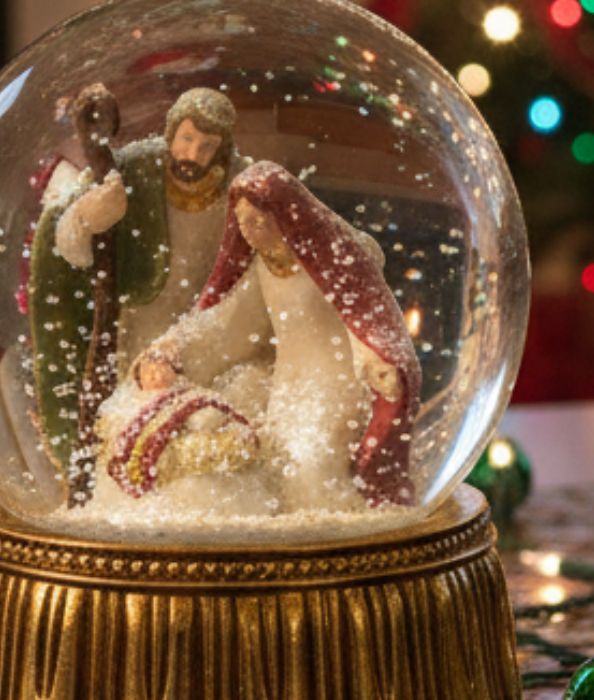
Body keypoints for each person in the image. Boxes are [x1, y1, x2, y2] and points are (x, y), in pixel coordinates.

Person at [130, 161, 420, 509]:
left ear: (284, 216)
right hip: (289, 386)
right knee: (276, 465)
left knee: (311, 469)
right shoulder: (261, 266)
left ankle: (336, 539)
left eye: (257, 221)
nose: (248, 231)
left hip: (335, 387)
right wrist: (176, 343)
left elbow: (360, 316)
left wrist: (375, 362)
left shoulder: (329, 258)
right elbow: (227, 322)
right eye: (241, 221)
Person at [27, 86, 238, 480]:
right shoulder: (135, 170)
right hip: (143, 326)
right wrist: (87, 219)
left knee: (200, 429)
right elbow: (62, 235)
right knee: (137, 417)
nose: (192, 155)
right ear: (171, 133)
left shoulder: (239, 183)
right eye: (186, 139)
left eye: (206, 146)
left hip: (212, 332)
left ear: (222, 150)